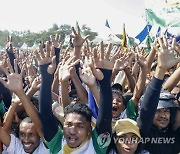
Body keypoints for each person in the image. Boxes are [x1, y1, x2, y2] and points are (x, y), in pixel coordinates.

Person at [37, 26, 113, 153]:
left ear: (89, 129)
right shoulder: (57, 143)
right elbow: (45, 114)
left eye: (80, 126)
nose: (72, 130)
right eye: (68, 124)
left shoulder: (98, 144)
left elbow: (105, 115)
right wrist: (46, 76)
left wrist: (105, 81)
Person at [137, 36, 180, 154]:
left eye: (166, 111)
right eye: (158, 111)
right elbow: (148, 108)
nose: (163, 115)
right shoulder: (143, 131)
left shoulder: (175, 133)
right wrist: (160, 69)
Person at [0, 59, 49, 154]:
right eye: (22, 134)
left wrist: (20, 92)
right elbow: (3, 131)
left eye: (31, 134)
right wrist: (14, 103)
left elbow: (38, 125)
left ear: (39, 135)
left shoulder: (45, 148)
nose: (26, 140)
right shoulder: (18, 147)